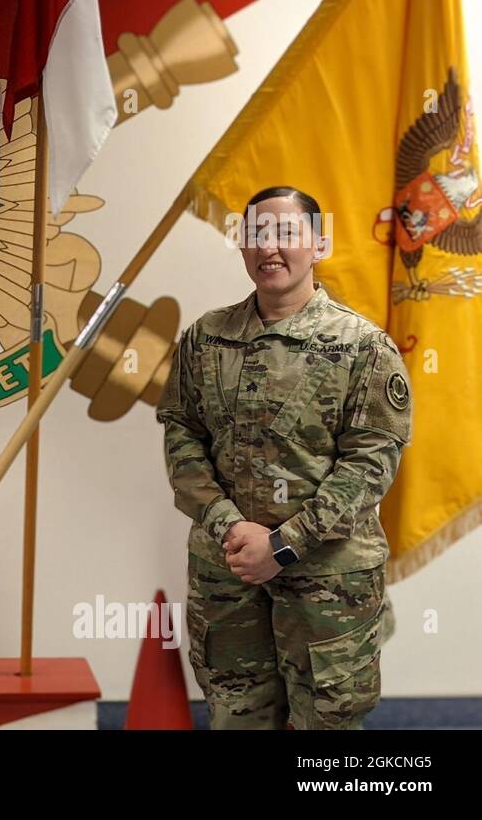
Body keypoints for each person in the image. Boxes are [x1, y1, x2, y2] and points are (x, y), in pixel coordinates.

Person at [156, 186, 412, 729]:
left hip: (327, 582)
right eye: (255, 234)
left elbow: (369, 465)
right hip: (227, 573)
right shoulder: (205, 338)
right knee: (236, 718)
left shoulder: (363, 347)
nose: (268, 248)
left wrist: (283, 545)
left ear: (319, 244)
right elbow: (182, 437)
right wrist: (229, 527)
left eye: (285, 233)